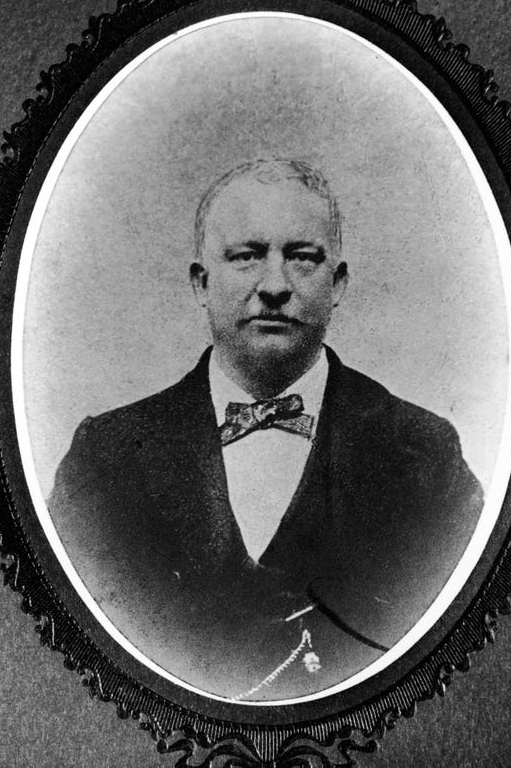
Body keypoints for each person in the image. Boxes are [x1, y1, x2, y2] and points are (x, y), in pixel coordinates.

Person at [48, 159, 483, 701]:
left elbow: (464, 665)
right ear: (201, 283)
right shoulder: (107, 459)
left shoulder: (423, 455)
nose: (274, 285)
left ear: (338, 283)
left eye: (302, 258)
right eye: (247, 256)